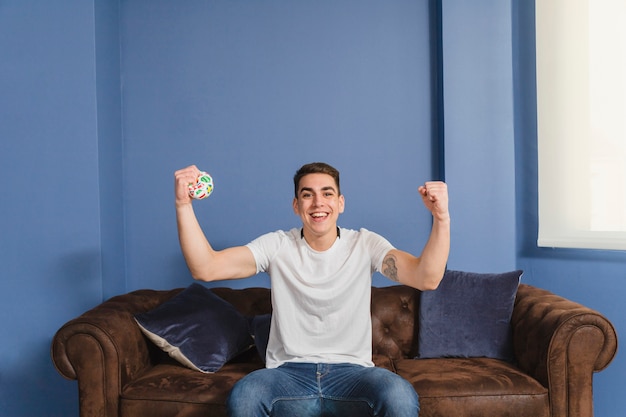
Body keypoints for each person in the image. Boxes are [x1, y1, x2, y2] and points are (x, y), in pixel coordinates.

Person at [174, 162, 450, 417]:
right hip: (287, 375)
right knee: (245, 395)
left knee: (399, 395)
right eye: (308, 195)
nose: (318, 202)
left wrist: (441, 218)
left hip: (353, 374)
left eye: (327, 193)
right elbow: (206, 268)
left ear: (340, 203)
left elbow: (426, 278)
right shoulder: (277, 246)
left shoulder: (365, 244)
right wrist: (183, 204)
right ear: (296, 205)